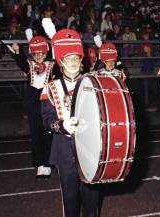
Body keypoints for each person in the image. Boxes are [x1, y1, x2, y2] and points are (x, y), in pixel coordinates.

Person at [40, 25, 99, 217]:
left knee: (92, 199)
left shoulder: (93, 82)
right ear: (60, 61)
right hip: (64, 150)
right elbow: (46, 119)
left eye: (76, 57)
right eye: (68, 58)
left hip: (90, 148)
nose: (73, 61)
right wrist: (61, 125)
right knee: (70, 199)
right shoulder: (51, 87)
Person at [7, 29, 56, 178]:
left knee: (48, 134)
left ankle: (48, 164)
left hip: (48, 104)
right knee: (35, 135)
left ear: (46, 52)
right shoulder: (28, 65)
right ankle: (39, 164)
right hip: (33, 105)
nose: (39, 56)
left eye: (41, 53)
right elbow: (21, 61)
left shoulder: (51, 65)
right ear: (32, 54)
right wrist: (16, 51)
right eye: (36, 54)